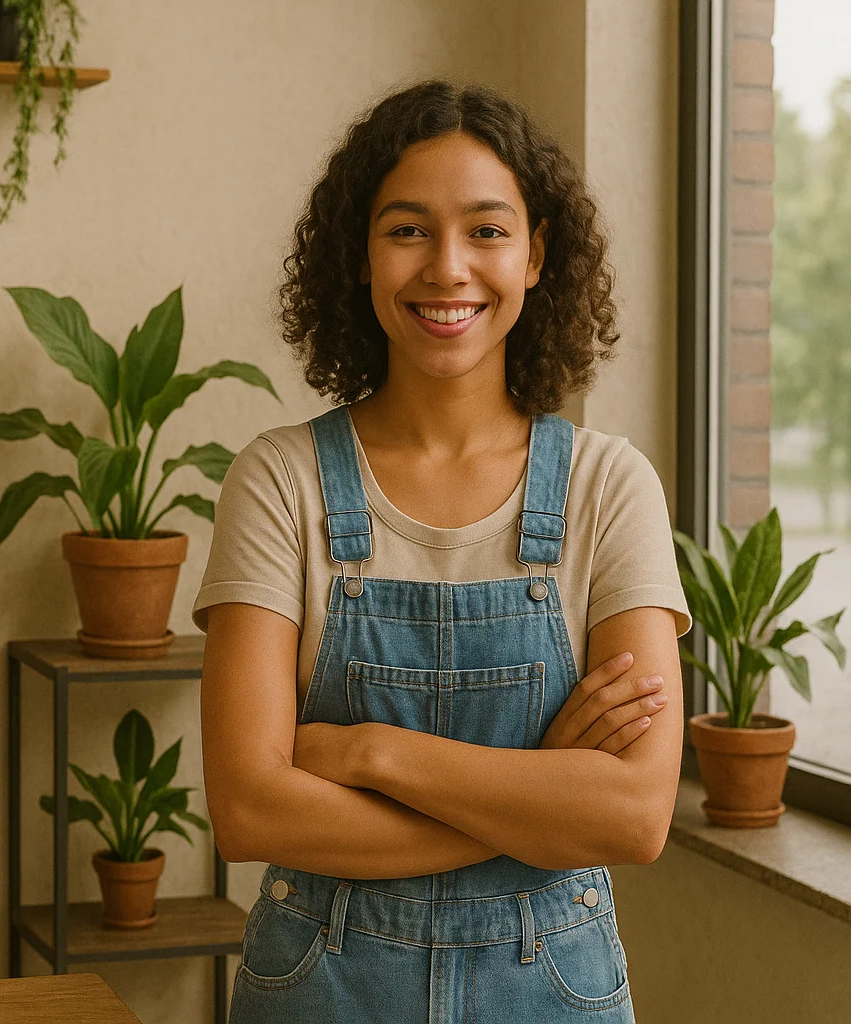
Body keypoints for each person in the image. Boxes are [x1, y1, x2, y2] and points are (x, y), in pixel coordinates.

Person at [198, 80, 691, 1023]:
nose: (448, 267)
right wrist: (536, 796)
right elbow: (251, 812)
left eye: (488, 230)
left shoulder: (609, 487)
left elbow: (632, 816)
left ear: (537, 253)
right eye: (408, 229)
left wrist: (374, 753)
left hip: (552, 990)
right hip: (320, 988)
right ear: (361, 254)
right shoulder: (281, 481)